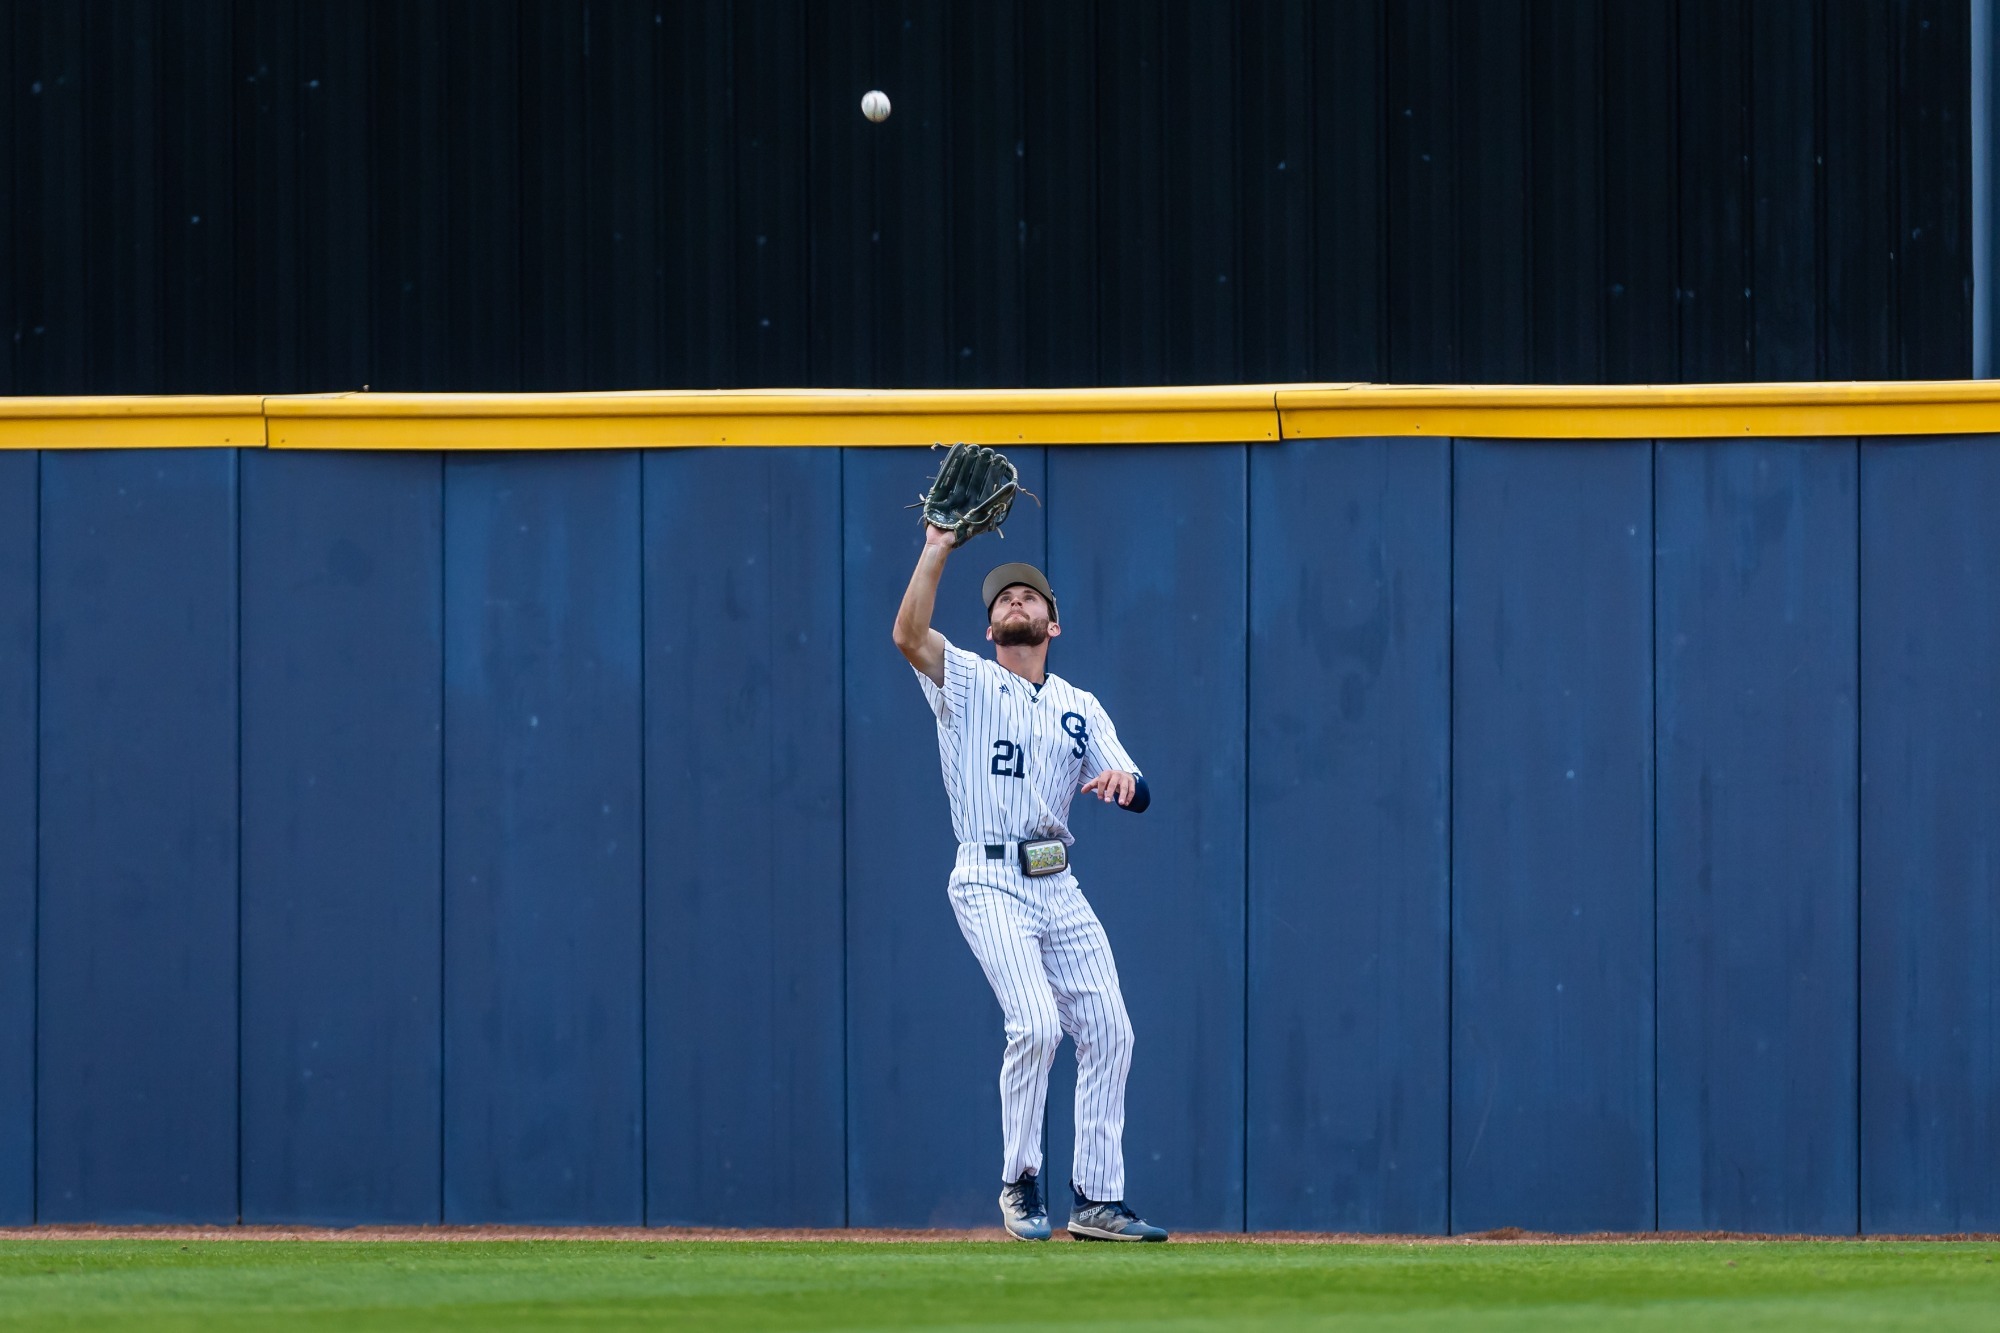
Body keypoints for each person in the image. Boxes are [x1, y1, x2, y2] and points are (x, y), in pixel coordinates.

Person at [892, 520, 1168, 1242]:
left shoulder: (1080, 706)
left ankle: (1098, 1201)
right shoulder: (966, 679)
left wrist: (1122, 781)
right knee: (1038, 1023)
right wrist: (937, 549)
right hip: (986, 874)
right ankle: (1021, 1180)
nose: (1016, 600)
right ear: (988, 628)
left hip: (1055, 879)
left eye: (1029, 595)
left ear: (1054, 621)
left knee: (1111, 1028)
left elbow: (1138, 785)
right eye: (1003, 598)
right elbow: (908, 634)